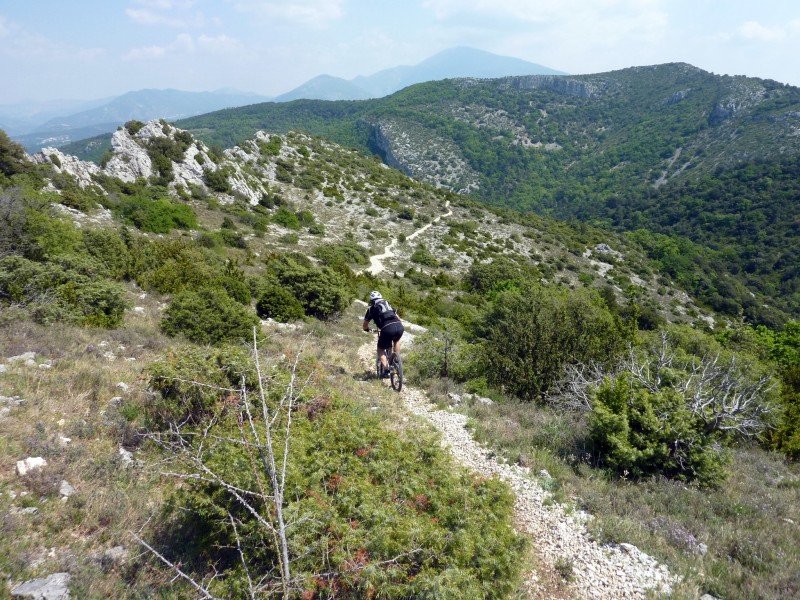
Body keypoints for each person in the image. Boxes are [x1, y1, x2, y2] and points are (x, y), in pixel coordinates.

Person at [362, 290, 404, 378]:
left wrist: (367, 330)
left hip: (387, 329)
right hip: (399, 326)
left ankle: (387, 370)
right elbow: (398, 317)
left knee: (380, 350)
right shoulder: (387, 304)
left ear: (371, 301)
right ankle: (396, 360)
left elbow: (365, 326)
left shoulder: (371, 309)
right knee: (396, 340)